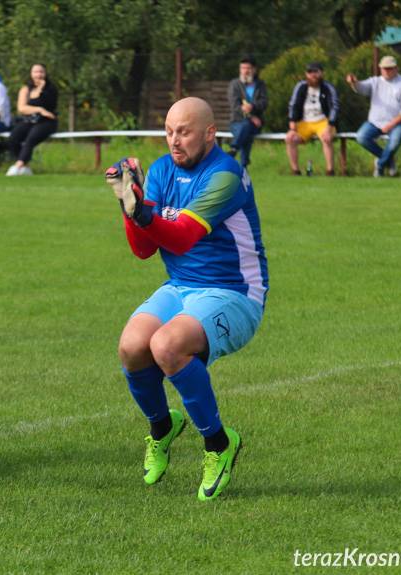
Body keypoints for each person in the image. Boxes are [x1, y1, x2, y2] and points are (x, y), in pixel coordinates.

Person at [106, 97, 268, 502]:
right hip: (181, 286)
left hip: (235, 292)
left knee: (167, 345)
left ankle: (219, 444)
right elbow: (144, 250)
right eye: (169, 132)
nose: (174, 141)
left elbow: (181, 237)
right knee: (131, 346)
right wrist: (129, 207)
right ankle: (162, 428)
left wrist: (143, 213)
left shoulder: (226, 175)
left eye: (184, 132)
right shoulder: (163, 169)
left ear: (210, 133)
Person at [346, 55, 401, 177]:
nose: (386, 71)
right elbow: (361, 88)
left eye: (389, 68)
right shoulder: (375, 81)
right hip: (375, 122)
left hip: (397, 123)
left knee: (394, 142)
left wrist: (390, 124)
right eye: (384, 68)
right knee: (361, 137)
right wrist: (354, 82)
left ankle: (380, 165)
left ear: (396, 69)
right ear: (380, 69)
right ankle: (389, 160)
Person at [285, 62, 339, 175]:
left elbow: (335, 106)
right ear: (306, 74)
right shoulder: (300, 86)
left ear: (321, 73)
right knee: (290, 138)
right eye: (310, 72)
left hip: (323, 121)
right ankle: (295, 171)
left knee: (326, 138)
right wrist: (292, 121)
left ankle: (330, 171)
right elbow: (293, 104)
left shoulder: (328, 87)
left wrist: (330, 126)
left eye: (316, 72)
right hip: (304, 122)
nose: (313, 75)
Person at [5, 64, 58, 176]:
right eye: (35, 72)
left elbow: (50, 105)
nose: (38, 74)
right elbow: (21, 108)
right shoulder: (25, 89)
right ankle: (26, 167)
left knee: (31, 139)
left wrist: (41, 90)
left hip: (46, 121)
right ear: (31, 74)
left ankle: (18, 166)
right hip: (29, 120)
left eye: (41, 72)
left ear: (45, 73)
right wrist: (40, 109)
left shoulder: (51, 89)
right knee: (13, 138)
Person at [226, 57, 267, 168]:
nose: (245, 71)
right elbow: (234, 105)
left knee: (247, 127)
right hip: (237, 121)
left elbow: (264, 103)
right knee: (246, 131)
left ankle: (234, 149)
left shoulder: (260, 85)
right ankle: (244, 165)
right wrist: (251, 117)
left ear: (254, 69)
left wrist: (252, 106)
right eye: (243, 68)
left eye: (248, 68)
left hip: (256, 124)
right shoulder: (234, 84)